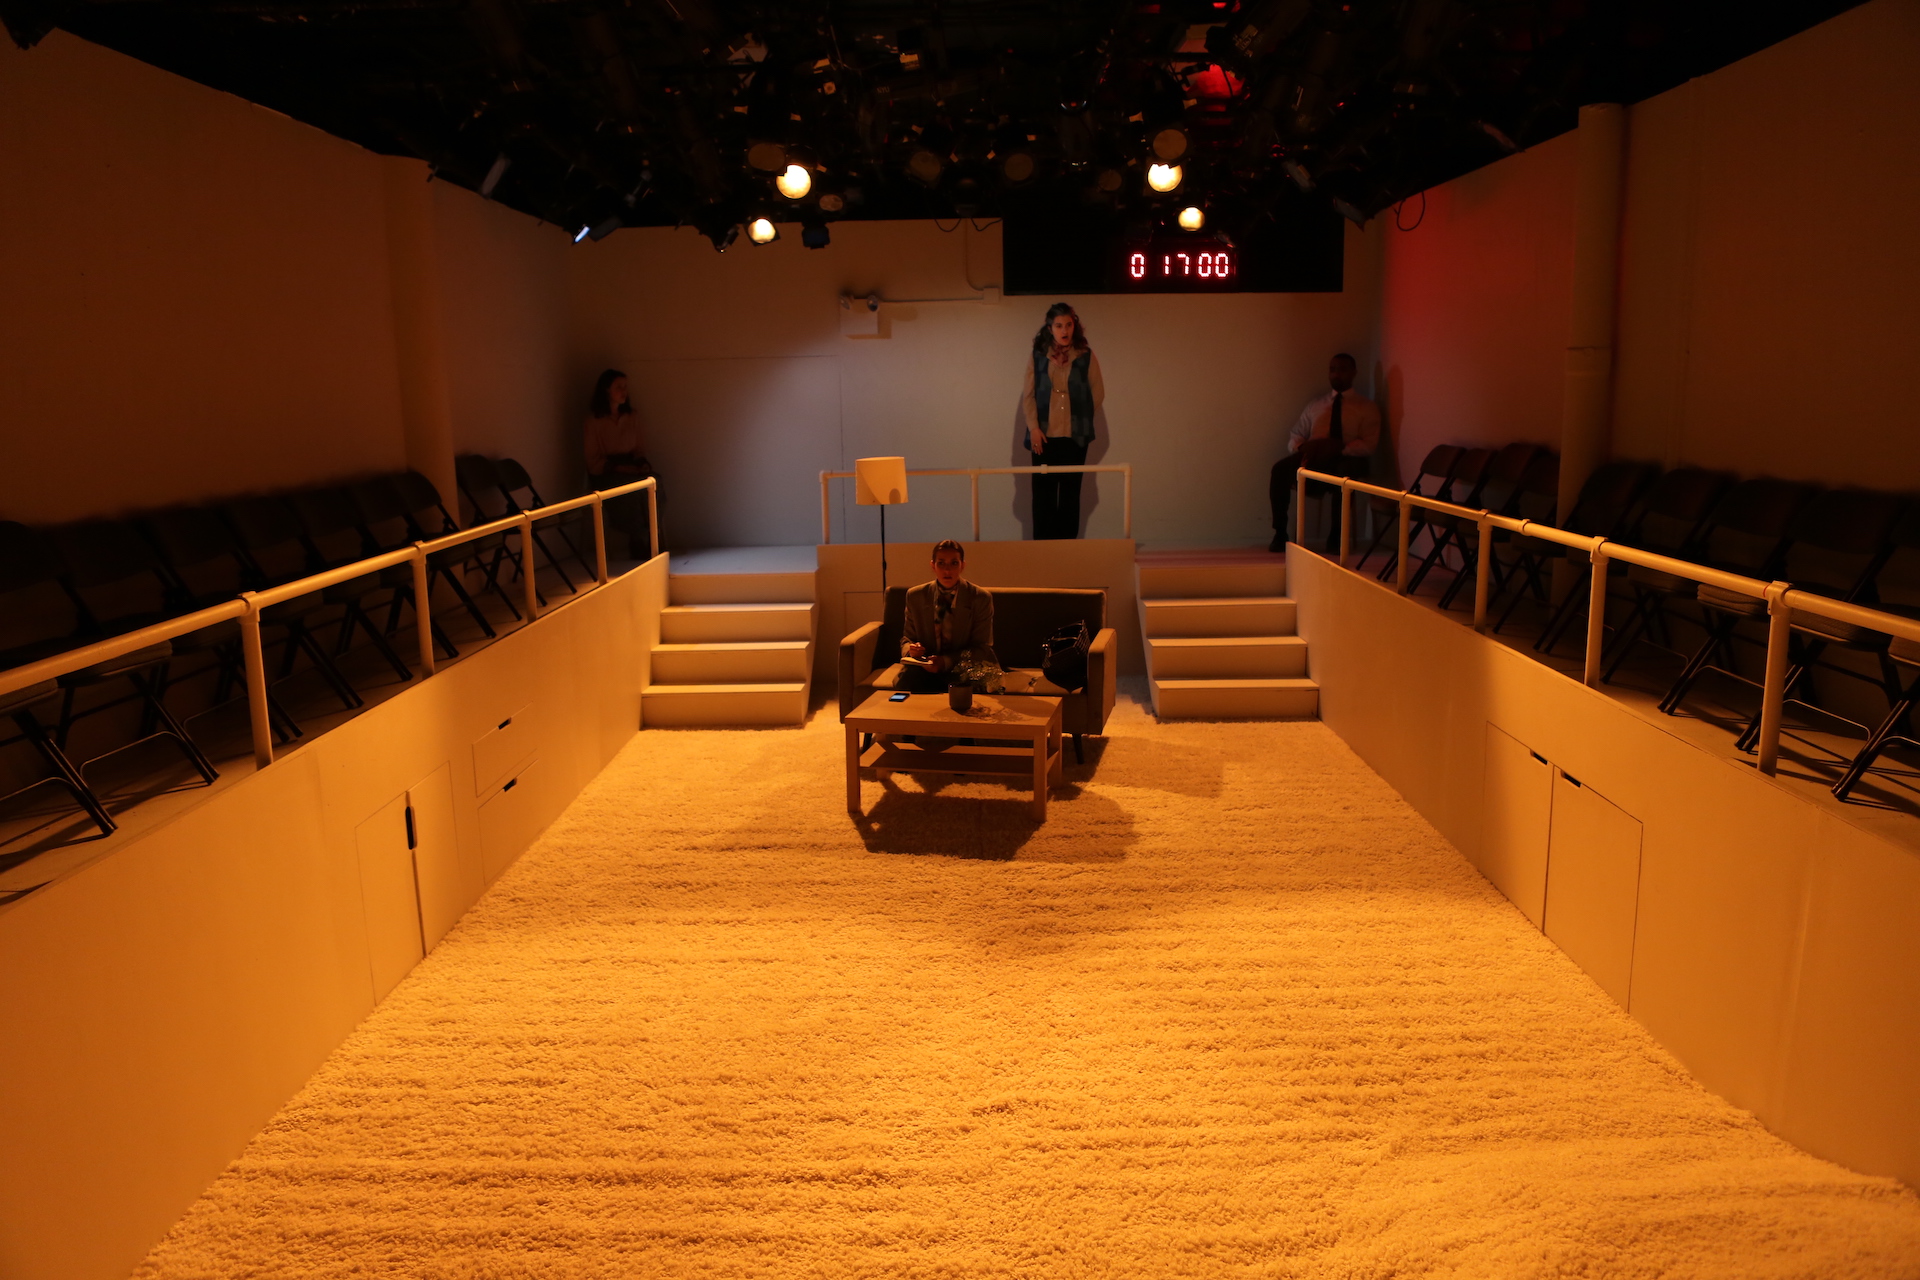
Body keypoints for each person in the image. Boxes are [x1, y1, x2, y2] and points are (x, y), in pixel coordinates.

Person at [1269, 353, 1380, 553]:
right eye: (1333, 369)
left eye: (1342, 369)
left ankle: (1337, 536)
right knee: (1280, 470)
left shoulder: (1366, 407)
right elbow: (1296, 434)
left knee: (1343, 475)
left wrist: (1338, 447)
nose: (1337, 374)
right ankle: (1280, 533)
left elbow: (1370, 444)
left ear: (1353, 372)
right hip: (1314, 454)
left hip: (1345, 456)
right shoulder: (1316, 405)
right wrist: (1303, 448)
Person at [1022, 302, 1105, 540]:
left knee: (1070, 494)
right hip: (1044, 435)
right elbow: (1028, 394)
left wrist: (1079, 416)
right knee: (1043, 495)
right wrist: (1034, 428)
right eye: (1059, 325)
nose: (1064, 330)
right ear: (1050, 328)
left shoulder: (1085, 355)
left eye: (1068, 324)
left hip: (1074, 436)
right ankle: (1043, 551)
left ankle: (1067, 550)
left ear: (1074, 325)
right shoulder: (1039, 355)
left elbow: (1097, 393)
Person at [899, 539, 993, 694]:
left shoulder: (980, 598)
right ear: (933, 566)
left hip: (963, 666)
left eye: (954, 563)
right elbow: (907, 638)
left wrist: (945, 662)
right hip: (925, 667)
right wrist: (911, 651)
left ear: (962, 565)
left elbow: (982, 648)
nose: (947, 570)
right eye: (941, 563)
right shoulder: (916, 596)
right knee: (906, 682)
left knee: (967, 684)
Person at [584, 368, 657, 559]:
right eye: (619, 387)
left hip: (631, 467)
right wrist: (619, 468)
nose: (624, 391)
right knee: (630, 492)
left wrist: (642, 464)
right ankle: (637, 539)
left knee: (655, 485)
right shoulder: (594, 421)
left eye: (625, 387)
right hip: (608, 472)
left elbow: (639, 448)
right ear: (607, 390)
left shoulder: (632, 416)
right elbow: (593, 460)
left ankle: (652, 536)